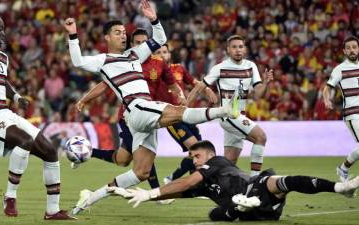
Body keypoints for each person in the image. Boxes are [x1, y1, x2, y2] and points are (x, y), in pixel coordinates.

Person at [64, 0, 239, 215]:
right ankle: (224, 110)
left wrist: (154, 19)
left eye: (123, 32)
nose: (122, 35)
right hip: (137, 107)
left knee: (141, 172)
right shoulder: (103, 60)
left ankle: (90, 198)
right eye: (117, 32)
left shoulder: (135, 54)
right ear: (107, 37)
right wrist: (73, 35)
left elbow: (160, 39)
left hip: (143, 115)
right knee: (176, 113)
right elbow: (78, 61)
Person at [0, 14, 74, 219]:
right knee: (25, 141)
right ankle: (10, 197)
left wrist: (16, 96)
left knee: (49, 150)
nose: (3, 33)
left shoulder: (3, 57)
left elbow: (2, 81)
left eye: (3, 29)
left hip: (5, 111)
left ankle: (52, 210)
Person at [109, 140, 359, 222]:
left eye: (196, 156)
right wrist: (136, 193)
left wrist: (150, 193)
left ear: (209, 154)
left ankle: (340, 187)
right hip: (264, 214)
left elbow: (184, 183)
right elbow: (177, 192)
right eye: (192, 157)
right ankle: (241, 206)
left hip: (257, 189)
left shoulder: (215, 162)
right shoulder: (202, 184)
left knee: (278, 181)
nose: (194, 160)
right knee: (214, 214)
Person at [74, 28, 188, 202]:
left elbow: (171, 83)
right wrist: (85, 99)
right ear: (133, 45)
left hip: (154, 111)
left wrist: (179, 93)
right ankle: (157, 193)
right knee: (142, 158)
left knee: (122, 159)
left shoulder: (159, 63)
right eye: (138, 43)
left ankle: (88, 153)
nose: (142, 45)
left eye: (145, 42)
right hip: (130, 116)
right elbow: (104, 85)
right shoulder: (127, 60)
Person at [187, 35, 273, 176]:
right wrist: (186, 105)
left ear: (244, 49)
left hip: (240, 116)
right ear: (228, 50)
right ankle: (255, 182)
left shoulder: (251, 66)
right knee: (261, 137)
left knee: (230, 161)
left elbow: (259, 93)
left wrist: (266, 83)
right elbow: (199, 87)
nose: (238, 50)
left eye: (241, 47)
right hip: (228, 116)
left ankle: (208, 184)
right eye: (234, 47)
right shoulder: (220, 68)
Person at [154, 44, 217, 183]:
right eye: (158, 52)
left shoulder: (179, 69)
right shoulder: (153, 74)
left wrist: (207, 90)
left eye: (165, 52)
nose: (162, 54)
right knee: (197, 147)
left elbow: (195, 82)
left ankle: (178, 179)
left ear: (169, 55)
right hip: (171, 118)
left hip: (187, 114)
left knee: (197, 149)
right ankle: (192, 182)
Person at [323, 36, 359, 182]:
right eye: (349, 48)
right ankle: (343, 169)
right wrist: (327, 100)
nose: (352, 50)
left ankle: (343, 168)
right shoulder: (340, 69)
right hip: (353, 113)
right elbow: (327, 88)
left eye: (354, 47)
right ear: (344, 51)